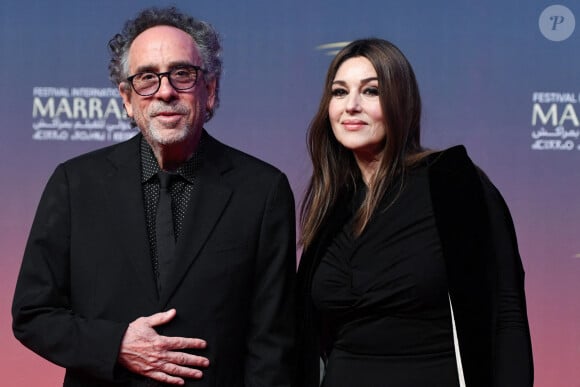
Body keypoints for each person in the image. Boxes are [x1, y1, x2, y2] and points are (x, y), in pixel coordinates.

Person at [12, 7, 295, 387]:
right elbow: (33, 314)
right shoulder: (74, 184)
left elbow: (272, 345)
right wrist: (116, 345)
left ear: (209, 90)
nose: (165, 90)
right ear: (127, 99)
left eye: (182, 73)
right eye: (147, 77)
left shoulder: (262, 190)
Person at [294, 38, 533, 387]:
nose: (352, 106)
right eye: (340, 92)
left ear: (400, 102)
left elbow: (507, 312)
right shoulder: (330, 206)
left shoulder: (453, 181)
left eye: (371, 91)